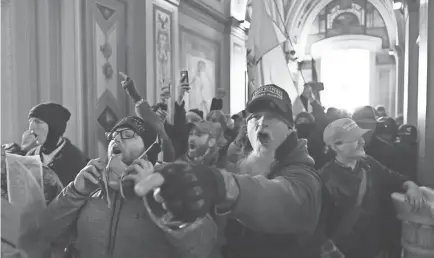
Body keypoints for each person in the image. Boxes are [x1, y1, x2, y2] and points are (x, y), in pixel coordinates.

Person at [134, 84, 324, 258]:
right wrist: (174, 212)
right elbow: (209, 241)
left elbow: (279, 197)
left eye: (273, 117)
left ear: (290, 129)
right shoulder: (237, 166)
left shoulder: (304, 176)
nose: (262, 122)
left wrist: (221, 184)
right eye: (255, 117)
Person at [40, 116, 218, 258]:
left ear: (148, 150)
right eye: (113, 135)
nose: (116, 138)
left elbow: (202, 247)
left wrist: (156, 198)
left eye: (127, 134)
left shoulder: (169, 184)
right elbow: (46, 232)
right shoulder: (90, 186)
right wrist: (75, 192)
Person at [320, 118, 424, 258]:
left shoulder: (368, 164)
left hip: (373, 249)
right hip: (344, 252)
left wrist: (411, 185)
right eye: (355, 139)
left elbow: (394, 177)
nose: (362, 142)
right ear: (336, 146)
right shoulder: (323, 179)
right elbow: (315, 229)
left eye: (361, 137)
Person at [26, 102, 87, 186]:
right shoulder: (30, 156)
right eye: (30, 121)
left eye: (38, 121)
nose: (31, 127)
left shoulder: (77, 159)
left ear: (54, 127)